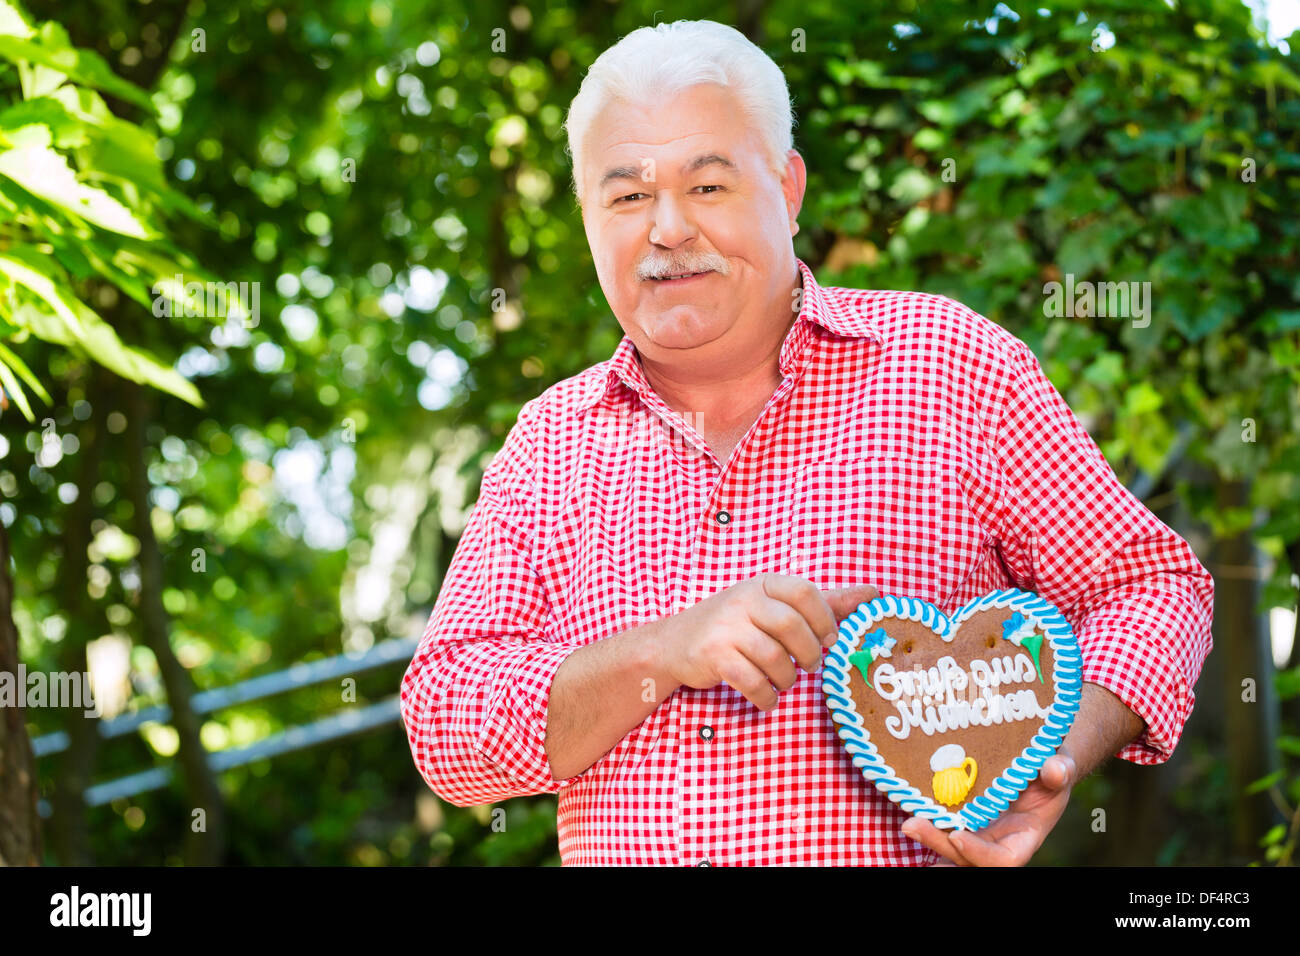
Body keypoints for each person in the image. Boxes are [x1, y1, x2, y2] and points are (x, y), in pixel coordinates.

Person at [400, 19, 1214, 866]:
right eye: (629, 196)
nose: (668, 229)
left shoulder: (954, 368)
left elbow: (1152, 587)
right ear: (588, 218)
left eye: (708, 186)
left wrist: (1051, 755)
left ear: (786, 189)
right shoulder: (549, 441)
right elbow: (448, 723)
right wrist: (665, 650)